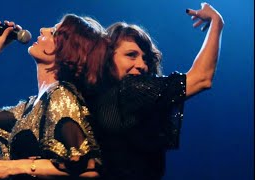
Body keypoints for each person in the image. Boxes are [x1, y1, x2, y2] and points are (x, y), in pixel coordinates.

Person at [0, 14, 108, 179]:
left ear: (70, 51)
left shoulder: (61, 95)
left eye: (54, 32)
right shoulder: (30, 107)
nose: (43, 30)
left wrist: (18, 166)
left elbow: (89, 168)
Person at [82, 2, 224, 180]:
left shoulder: (97, 95)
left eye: (145, 58)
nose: (142, 65)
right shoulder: (128, 91)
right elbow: (201, 78)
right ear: (108, 57)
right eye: (131, 55)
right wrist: (217, 22)